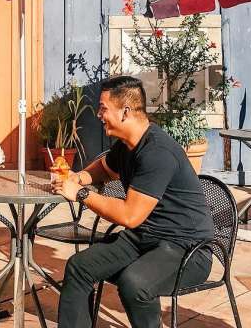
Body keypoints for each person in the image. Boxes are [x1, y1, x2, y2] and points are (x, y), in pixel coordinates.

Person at [53, 76, 215, 328]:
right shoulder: (128, 145)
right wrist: (80, 177)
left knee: (135, 283)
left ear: (125, 112)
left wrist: (81, 194)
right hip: (145, 239)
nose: (99, 114)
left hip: (187, 249)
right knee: (79, 267)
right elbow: (105, 168)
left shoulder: (157, 152)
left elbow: (130, 216)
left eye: (103, 108)